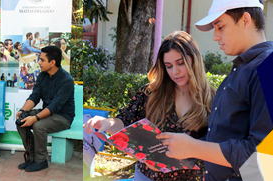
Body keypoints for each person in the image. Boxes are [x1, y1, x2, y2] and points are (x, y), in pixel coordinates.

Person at [154, 0, 273, 180]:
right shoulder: (241, 69)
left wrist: (195, 147)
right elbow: (223, 138)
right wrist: (181, 150)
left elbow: (263, 156)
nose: (215, 36)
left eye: (220, 27)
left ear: (245, 20)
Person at [85, 31, 215, 180]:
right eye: (168, 66)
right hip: (148, 176)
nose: (175, 72)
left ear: (194, 60)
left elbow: (217, 146)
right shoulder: (151, 93)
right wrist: (107, 123)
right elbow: (125, 121)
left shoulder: (212, 99)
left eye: (180, 63)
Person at [15, 46, 75, 172]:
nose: (39, 62)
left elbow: (55, 105)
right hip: (48, 113)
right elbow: (35, 96)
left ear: (52, 63)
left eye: (42, 60)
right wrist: (23, 111)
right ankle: (31, 158)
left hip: (63, 117)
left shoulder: (66, 80)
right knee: (21, 120)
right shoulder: (42, 75)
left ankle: (40, 161)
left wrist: (35, 118)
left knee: (38, 126)